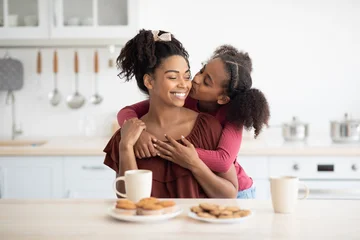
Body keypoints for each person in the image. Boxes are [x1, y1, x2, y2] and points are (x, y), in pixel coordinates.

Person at [117, 44, 270, 199]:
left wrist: (186, 154)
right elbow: (127, 111)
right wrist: (138, 131)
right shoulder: (185, 98)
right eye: (201, 71)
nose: (195, 79)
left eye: (206, 81)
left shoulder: (231, 118)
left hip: (241, 192)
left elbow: (224, 161)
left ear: (223, 98)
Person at [104, 29, 238, 198]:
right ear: (149, 81)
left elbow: (229, 196)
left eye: (187, 76)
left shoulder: (207, 127)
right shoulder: (129, 135)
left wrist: (194, 163)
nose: (184, 84)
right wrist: (126, 147)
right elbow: (128, 200)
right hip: (147, 224)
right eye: (173, 77)